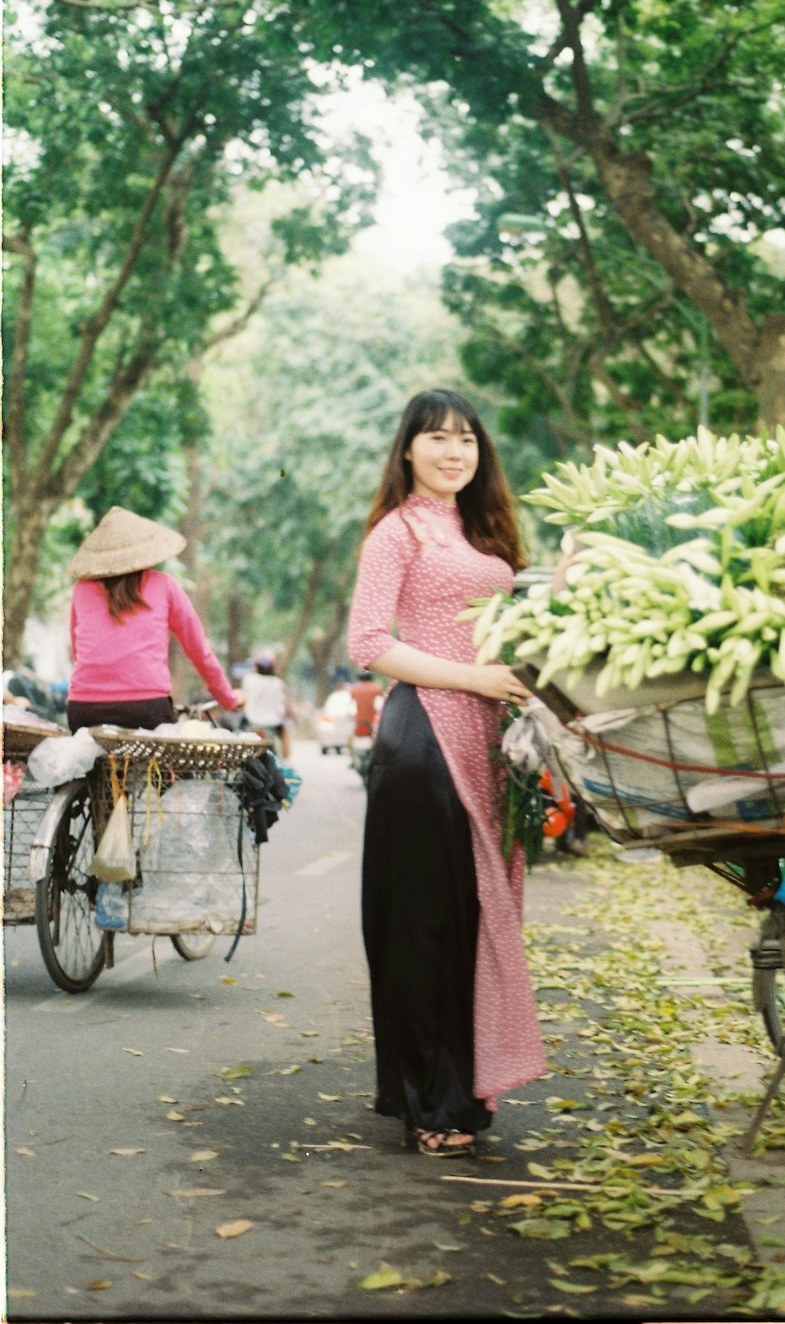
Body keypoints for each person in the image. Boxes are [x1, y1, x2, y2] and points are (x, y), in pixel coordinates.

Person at [347, 387, 546, 1158]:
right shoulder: (397, 534)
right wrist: (474, 681)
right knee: (424, 928)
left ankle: (462, 1092)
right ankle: (426, 1103)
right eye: (436, 438)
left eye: (466, 439)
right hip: (423, 740)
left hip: (486, 742)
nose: (453, 451)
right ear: (407, 450)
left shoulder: (482, 529)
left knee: (469, 922)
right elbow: (368, 642)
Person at [66, 506, 242, 733]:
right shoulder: (165, 585)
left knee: (89, 767)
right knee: (169, 768)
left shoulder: (82, 589)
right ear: (145, 552)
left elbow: (77, 652)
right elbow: (199, 651)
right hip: (147, 710)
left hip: (85, 710)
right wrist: (228, 699)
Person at [241, 651, 295, 760]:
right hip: (273, 725)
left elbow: (242, 700)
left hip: (250, 722)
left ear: (257, 666)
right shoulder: (278, 683)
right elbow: (288, 708)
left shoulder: (248, 679)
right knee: (285, 733)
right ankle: (284, 758)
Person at [348, 670, 383, 740]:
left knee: (350, 738)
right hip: (372, 721)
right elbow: (380, 705)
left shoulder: (354, 689)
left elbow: (351, 706)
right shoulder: (376, 688)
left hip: (359, 721)